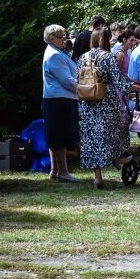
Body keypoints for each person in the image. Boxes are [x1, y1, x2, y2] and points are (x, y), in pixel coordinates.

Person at [78, 29, 140, 189]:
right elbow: (119, 83)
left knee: (93, 138)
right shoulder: (108, 57)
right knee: (117, 130)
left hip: (87, 102)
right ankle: (117, 158)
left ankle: (98, 177)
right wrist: (136, 88)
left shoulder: (83, 57)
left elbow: (77, 78)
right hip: (105, 101)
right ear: (106, 41)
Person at [42, 24, 80, 183]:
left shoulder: (56, 52)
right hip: (60, 100)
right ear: (51, 38)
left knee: (56, 135)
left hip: (58, 99)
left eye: (64, 35)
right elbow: (67, 81)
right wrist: (85, 88)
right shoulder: (54, 56)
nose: (64, 38)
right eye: (60, 36)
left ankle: (55, 170)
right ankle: (63, 172)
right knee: (59, 136)